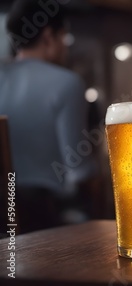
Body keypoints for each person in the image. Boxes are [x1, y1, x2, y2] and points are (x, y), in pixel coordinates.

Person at [0, 0, 97, 233]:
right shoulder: (67, 83)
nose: (66, 46)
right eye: (64, 37)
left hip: (3, 219)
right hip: (43, 219)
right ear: (48, 37)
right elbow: (78, 167)